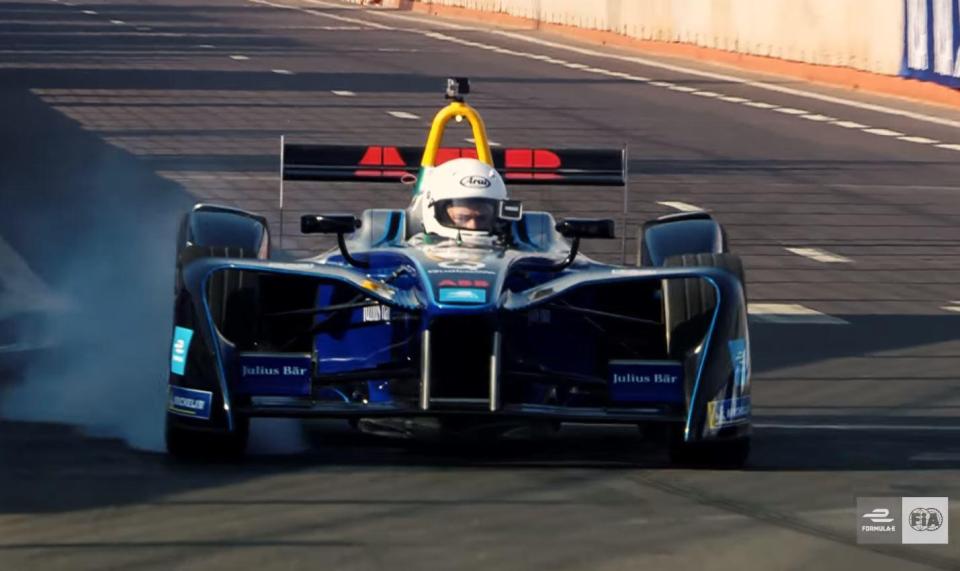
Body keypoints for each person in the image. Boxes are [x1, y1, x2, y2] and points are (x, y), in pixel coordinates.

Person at [410, 157, 508, 245]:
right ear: (433, 210)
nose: (473, 226)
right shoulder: (414, 248)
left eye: (482, 218)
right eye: (462, 218)